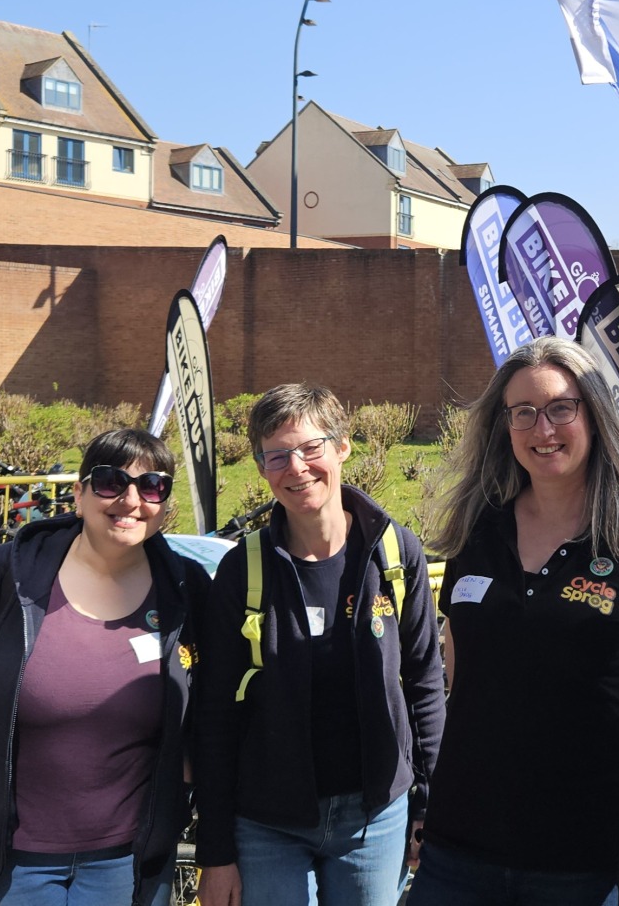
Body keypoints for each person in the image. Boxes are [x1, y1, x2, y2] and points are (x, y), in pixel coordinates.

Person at [408, 336, 619, 906]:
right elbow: (461, 675)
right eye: (523, 413)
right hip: (459, 849)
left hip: (585, 855)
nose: (542, 429)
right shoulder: (478, 534)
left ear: (594, 413)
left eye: (560, 407)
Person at [0, 429, 209, 906]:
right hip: (8, 860)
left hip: (128, 860)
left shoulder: (186, 588)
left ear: (164, 503)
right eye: (110, 482)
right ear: (80, 493)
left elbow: (211, 697)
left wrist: (182, 790)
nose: (130, 499)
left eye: (152, 486)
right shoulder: (7, 575)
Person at [194, 383, 445, 906]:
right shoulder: (243, 571)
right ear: (262, 468)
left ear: (343, 446)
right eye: (277, 456)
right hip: (267, 822)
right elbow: (213, 714)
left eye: (311, 448)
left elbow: (424, 683)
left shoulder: (395, 554)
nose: (297, 467)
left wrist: (431, 802)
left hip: (373, 818)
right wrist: (215, 850)